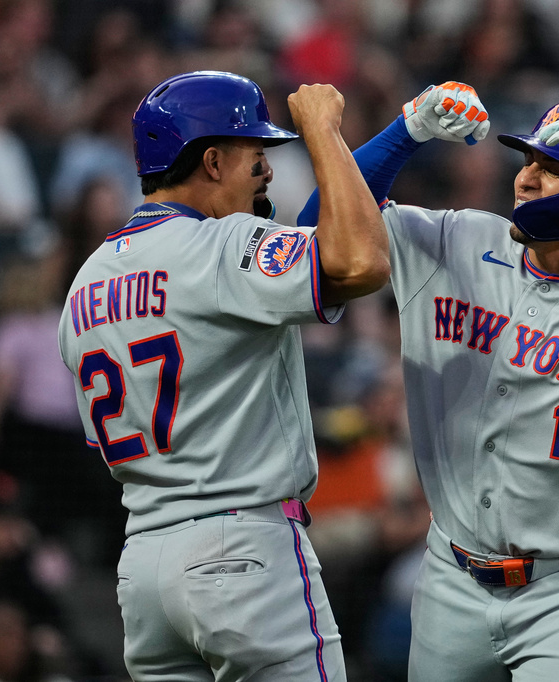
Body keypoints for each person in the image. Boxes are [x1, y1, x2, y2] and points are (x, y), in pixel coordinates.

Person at [299, 83, 559, 680]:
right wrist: (405, 130)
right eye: (528, 162)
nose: (526, 179)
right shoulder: (458, 240)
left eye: (553, 170)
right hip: (450, 575)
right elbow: (321, 236)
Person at [57, 70, 389, 682]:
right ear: (212, 161)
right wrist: (323, 133)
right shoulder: (218, 245)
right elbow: (363, 261)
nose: (265, 171)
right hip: (241, 549)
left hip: (145, 565)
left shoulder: (85, 282)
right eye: (255, 154)